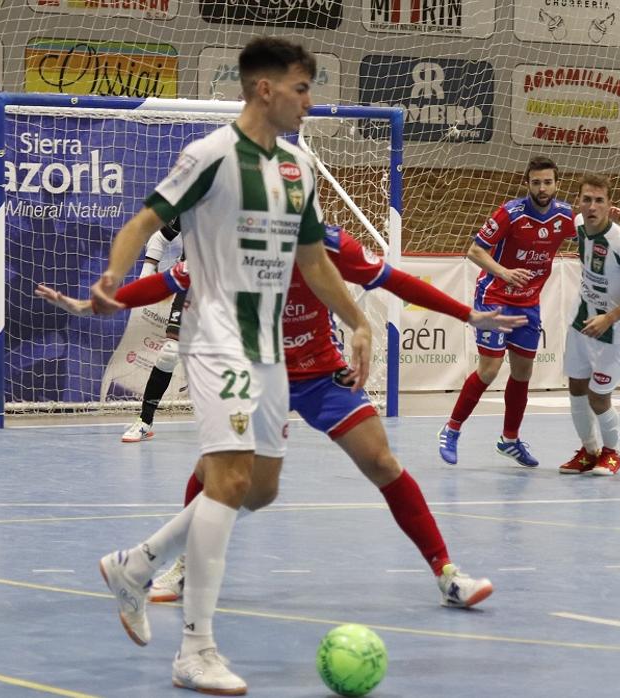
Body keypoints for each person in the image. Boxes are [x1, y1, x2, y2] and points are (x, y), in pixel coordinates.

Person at [84, 37, 372, 695]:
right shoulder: (209, 156)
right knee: (228, 478)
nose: (309, 101)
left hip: (267, 347)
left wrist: (356, 319)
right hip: (216, 339)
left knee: (259, 490)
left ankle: (137, 563)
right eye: (301, 89)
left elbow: (313, 263)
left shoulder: (297, 167)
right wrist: (112, 275)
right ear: (263, 90)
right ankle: (195, 650)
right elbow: (144, 220)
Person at [37, 224, 525, 610]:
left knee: (381, 461)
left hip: (320, 372)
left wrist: (468, 315)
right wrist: (93, 304)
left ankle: (446, 574)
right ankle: (180, 564)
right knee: (223, 476)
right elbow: (164, 282)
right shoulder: (222, 244)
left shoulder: (325, 241)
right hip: (254, 374)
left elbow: (390, 278)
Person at [438, 156, 577, 468]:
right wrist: (503, 272)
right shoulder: (510, 213)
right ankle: (451, 430)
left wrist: (604, 219)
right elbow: (475, 250)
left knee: (523, 373)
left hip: (529, 303)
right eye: (537, 182)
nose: (543, 188)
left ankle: (509, 440)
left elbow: (588, 233)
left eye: (548, 182)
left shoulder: (565, 215)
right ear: (526, 182)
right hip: (495, 297)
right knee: (489, 369)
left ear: (557, 184)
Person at [558, 175, 620, 476]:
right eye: (587, 199)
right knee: (575, 387)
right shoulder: (577, 225)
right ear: (580, 203)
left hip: (614, 330)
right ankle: (588, 451)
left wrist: (609, 318)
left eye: (599, 200)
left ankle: (612, 454)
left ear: (609, 205)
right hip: (580, 321)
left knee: (599, 397)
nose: (592, 205)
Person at [122, 220, 187, 443]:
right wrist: (146, 275)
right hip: (191, 285)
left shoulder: (243, 204)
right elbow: (160, 237)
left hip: (229, 288)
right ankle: (145, 420)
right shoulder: (192, 202)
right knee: (170, 352)